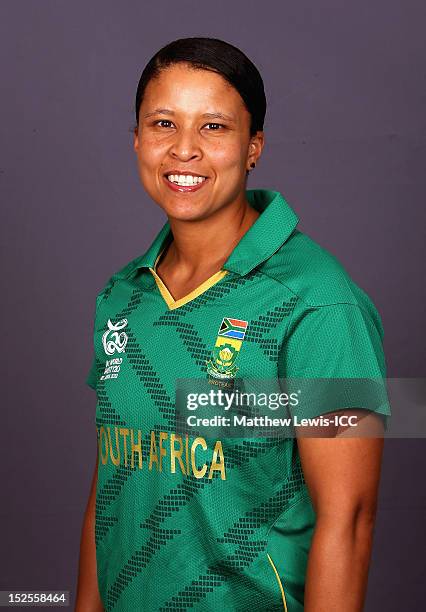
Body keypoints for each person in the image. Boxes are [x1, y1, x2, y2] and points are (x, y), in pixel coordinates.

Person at [76, 37, 390, 612]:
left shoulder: (318, 302)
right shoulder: (123, 295)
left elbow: (349, 519)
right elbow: (112, 482)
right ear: (139, 140)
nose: (184, 150)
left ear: (254, 147)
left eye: (214, 127)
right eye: (164, 123)